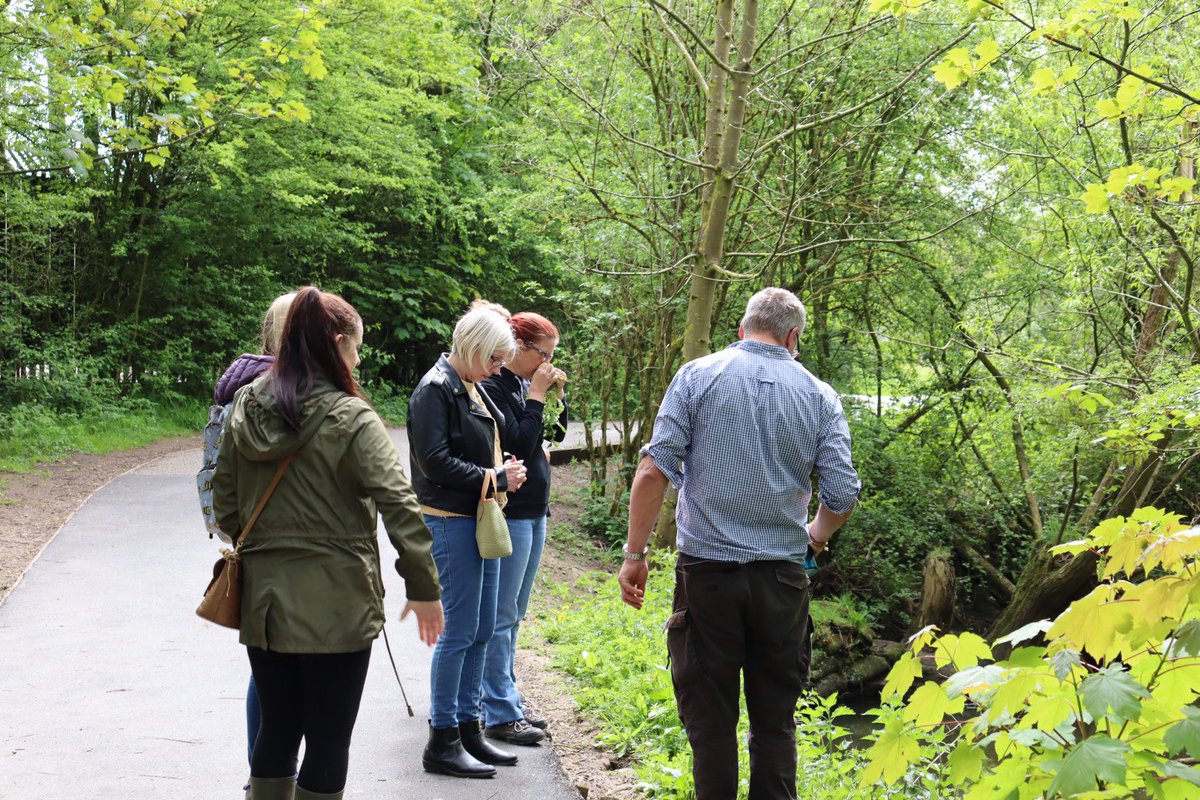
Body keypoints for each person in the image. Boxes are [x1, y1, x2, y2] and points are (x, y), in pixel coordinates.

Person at [617, 288, 860, 800]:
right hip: (782, 582)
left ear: (743, 328)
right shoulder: (820, 395)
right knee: (775, 724)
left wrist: (635, 555)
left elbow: (652, 471)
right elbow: (842, 495)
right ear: (793, 337)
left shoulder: (697, 376)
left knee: (710, 725)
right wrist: (814, 538)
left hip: (706, 579)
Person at [212, 287, 444, 800]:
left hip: (264, 602)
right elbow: (400, 504)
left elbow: (224, 502)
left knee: (276, 728)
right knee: (328, 738)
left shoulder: (245, 405)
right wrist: (424, 588)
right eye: (356, 348)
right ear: (337, 343)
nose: (358, 360)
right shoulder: (352, 417)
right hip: (339, 604)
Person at [408, 306, 528, 778]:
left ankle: (468, 728)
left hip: (480, 516)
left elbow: (488, 439)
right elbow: (434, 461)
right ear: (475, 348)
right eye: (495, 359)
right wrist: (495, 476)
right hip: (450, 519)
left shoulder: (470, 384)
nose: (498, 369)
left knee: (482, 628)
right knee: (458, 630)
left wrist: (502, 469)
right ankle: (442, 739)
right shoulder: (434, 389)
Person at [211, 290, 296, 773]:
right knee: (289, 668)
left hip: (248, 537)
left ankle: (259, 772)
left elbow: (218, 477)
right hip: (288, 542)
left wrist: (237, 530)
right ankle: (279, 772)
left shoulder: (235, 387)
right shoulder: (291, 392)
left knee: (264, 666)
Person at [480, 312, 567, 744]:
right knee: (500, 616)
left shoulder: (526, 384)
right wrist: (536, 395)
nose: (547, 363)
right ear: (519, 345)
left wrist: (555, 397)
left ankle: (506, 695)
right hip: (511, 511)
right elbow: (517, 442)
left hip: (536, 509)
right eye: (543, 354)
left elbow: (557, 435)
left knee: (515, 615)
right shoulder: (495, 385)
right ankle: (498, 709)